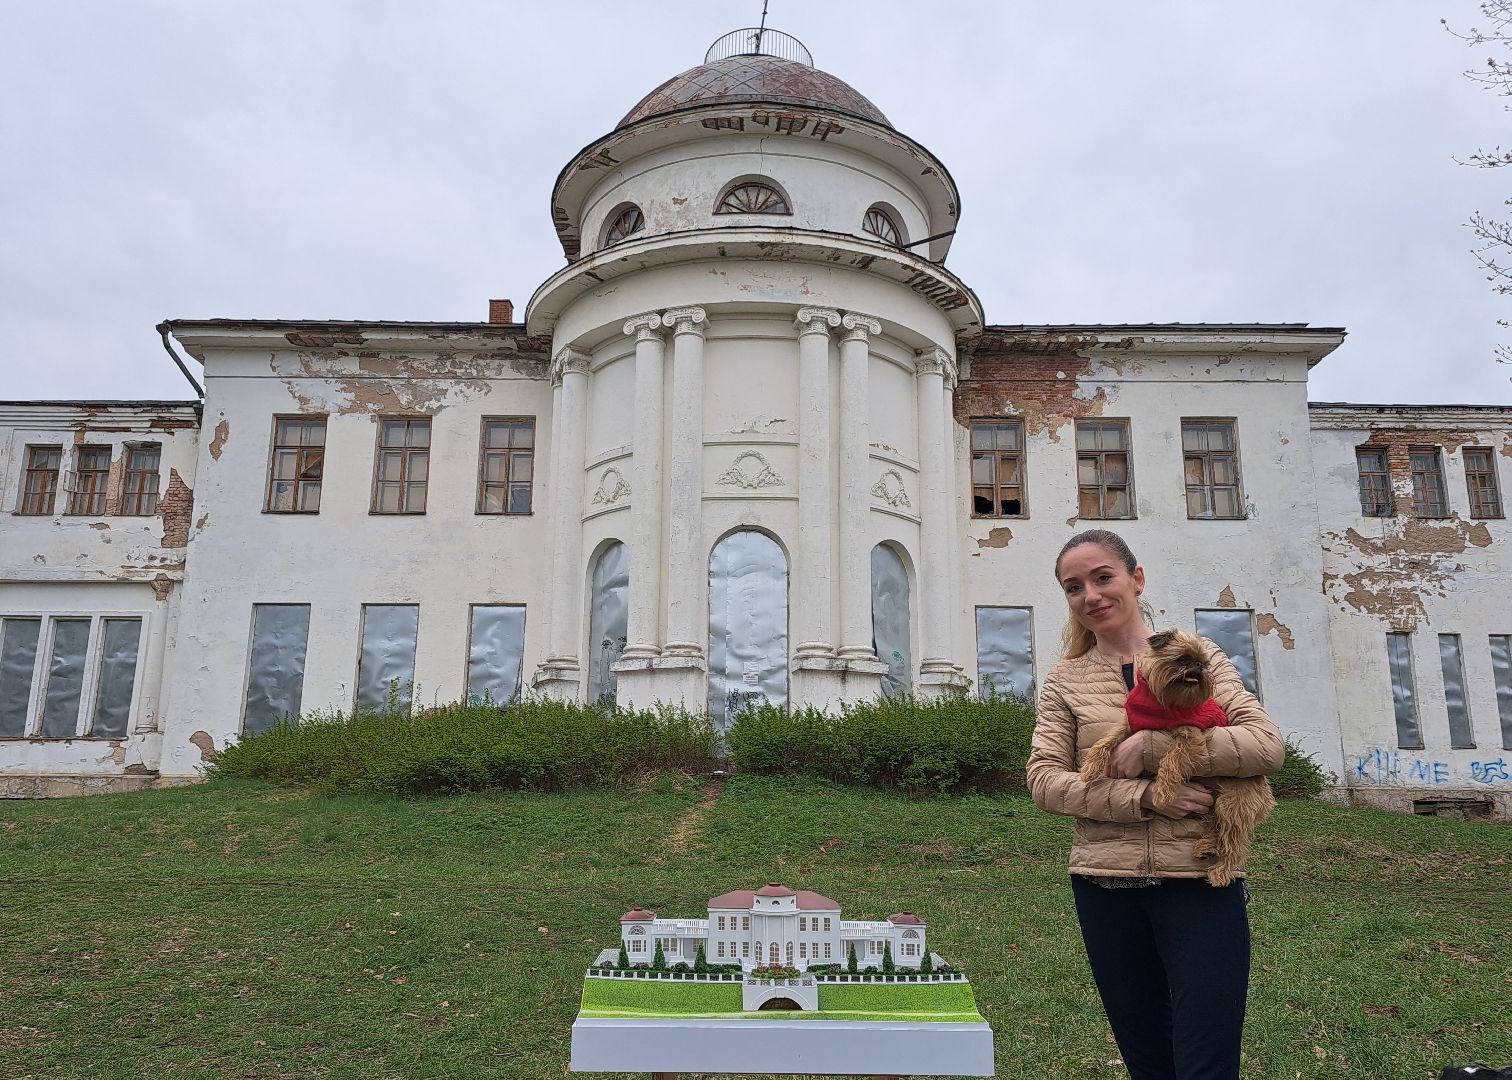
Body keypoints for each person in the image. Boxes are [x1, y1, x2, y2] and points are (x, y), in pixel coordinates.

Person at [1026, 529, 1284, 1080]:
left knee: (1207, 1059)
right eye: (1074, 587)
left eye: (1102, 578)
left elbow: (1266, 746)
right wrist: (1146, 797)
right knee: (1149, 1060)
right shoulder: (1065, 680)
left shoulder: (1196, 654)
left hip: (1201, 879)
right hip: (1105, 885)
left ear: (1136, 579)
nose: (1090, 595)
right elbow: (1045, 781)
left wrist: (1157, 747)